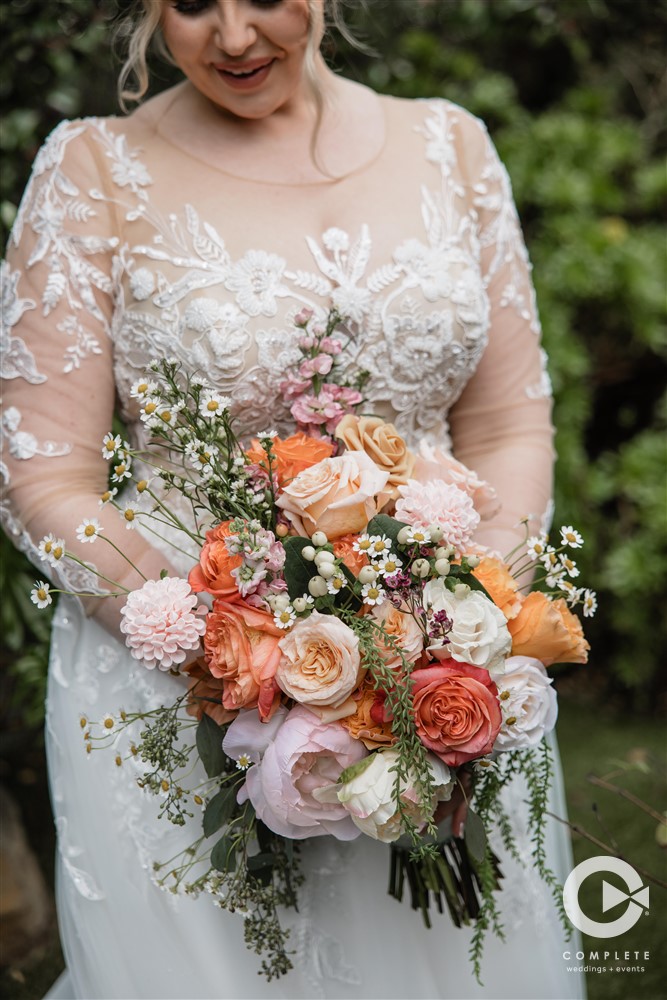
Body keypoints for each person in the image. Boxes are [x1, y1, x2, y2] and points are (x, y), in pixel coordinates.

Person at [1, 1, 584, 997]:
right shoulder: (93, 167)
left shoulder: (451, 144)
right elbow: (39, 471)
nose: (232, 36)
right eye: (189, 4)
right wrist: (226, 644)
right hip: (180, 694)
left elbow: (506, 430)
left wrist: (461, 621)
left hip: (440, 678)